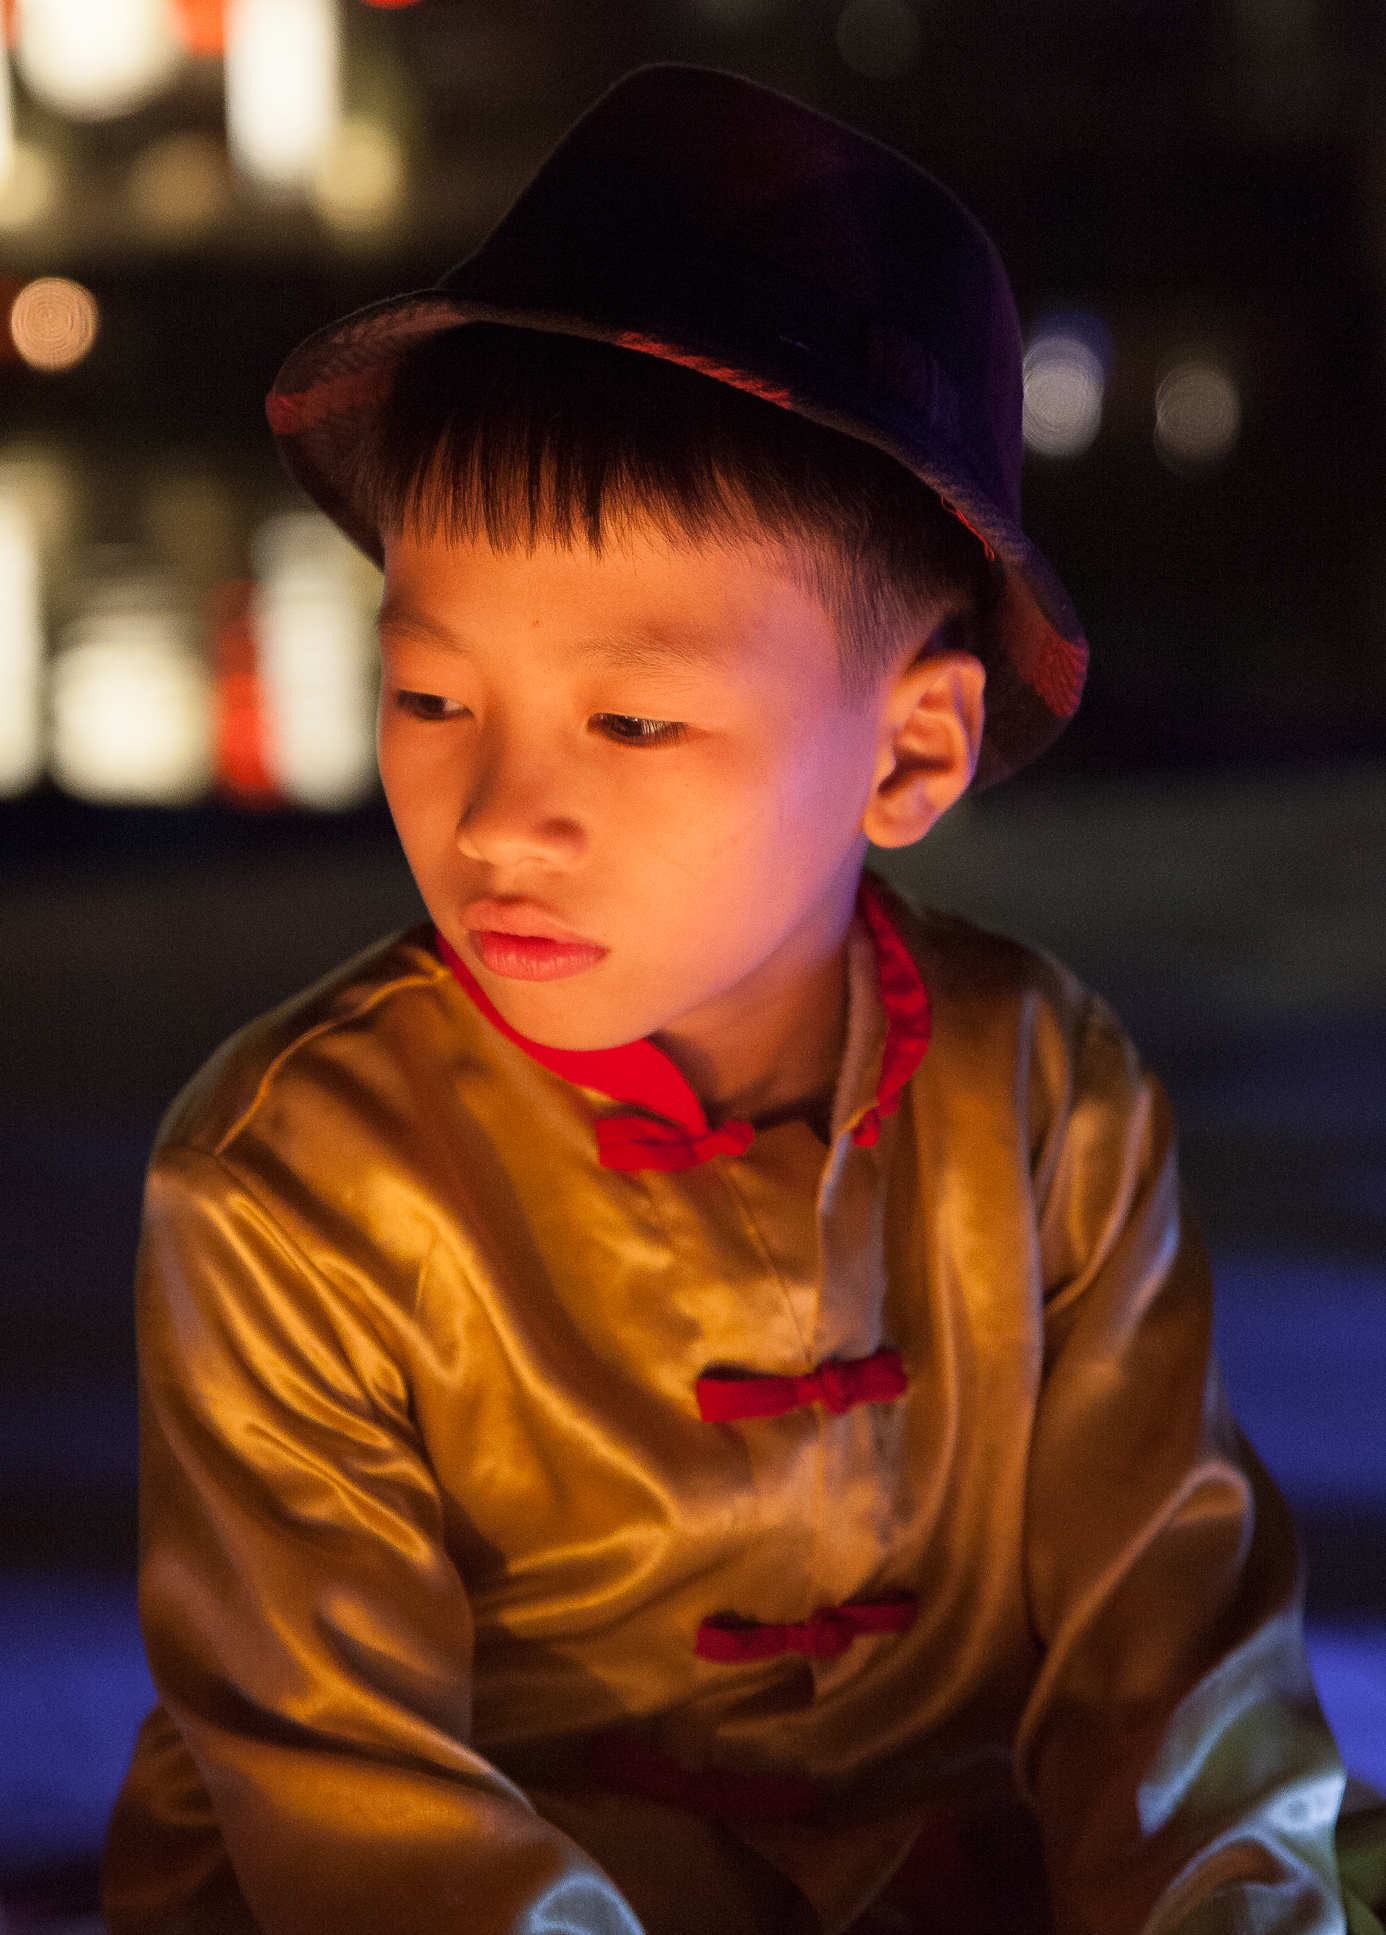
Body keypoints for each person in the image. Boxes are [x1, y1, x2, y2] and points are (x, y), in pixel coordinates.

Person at [103, 64, 1383, 1935]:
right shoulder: (286, 1185)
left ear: (909, 750)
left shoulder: (1048, 1102)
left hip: (942, 1860)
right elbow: (345, 1770)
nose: (496, 817)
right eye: (433, 698)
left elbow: (1158, 1661)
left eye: (629, 719)